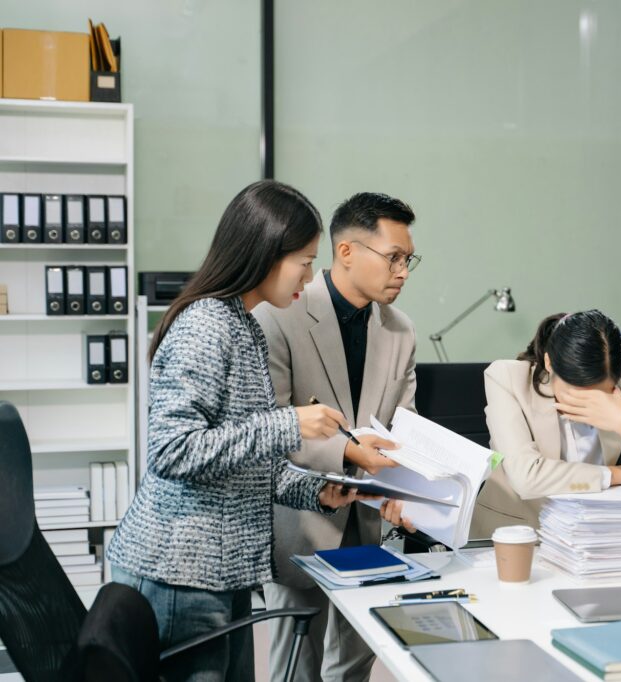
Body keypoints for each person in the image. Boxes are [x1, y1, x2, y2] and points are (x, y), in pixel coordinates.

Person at [106, 180, 366, 681]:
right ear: (266, 254)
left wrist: (317, 493)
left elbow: (241, 464)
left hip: (220, 570)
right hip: (180, 570)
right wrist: (289, 422)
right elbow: (174, 451)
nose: (310, 277)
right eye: (304, 261)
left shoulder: (242, 323)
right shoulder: (206, 325)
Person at [254, 192, 420, 682]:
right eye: (393, 258)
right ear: (346, 251)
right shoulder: (280, 315)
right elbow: (272, 428)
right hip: (299, 517)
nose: (403, 272)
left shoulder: (401, 330)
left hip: (369, 522)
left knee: (354, 666)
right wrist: (349, 451)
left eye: (409, 260)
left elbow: (404, 422)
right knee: (294, 667)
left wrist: (411, 475)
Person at [470, 310, 621, 539]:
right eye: (574, 393)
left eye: (598, 396)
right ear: (549, 363)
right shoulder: (507, 378)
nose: (587, 404)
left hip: (590, 538)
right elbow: (526, 477)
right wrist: (620, 474)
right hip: (515, 536)